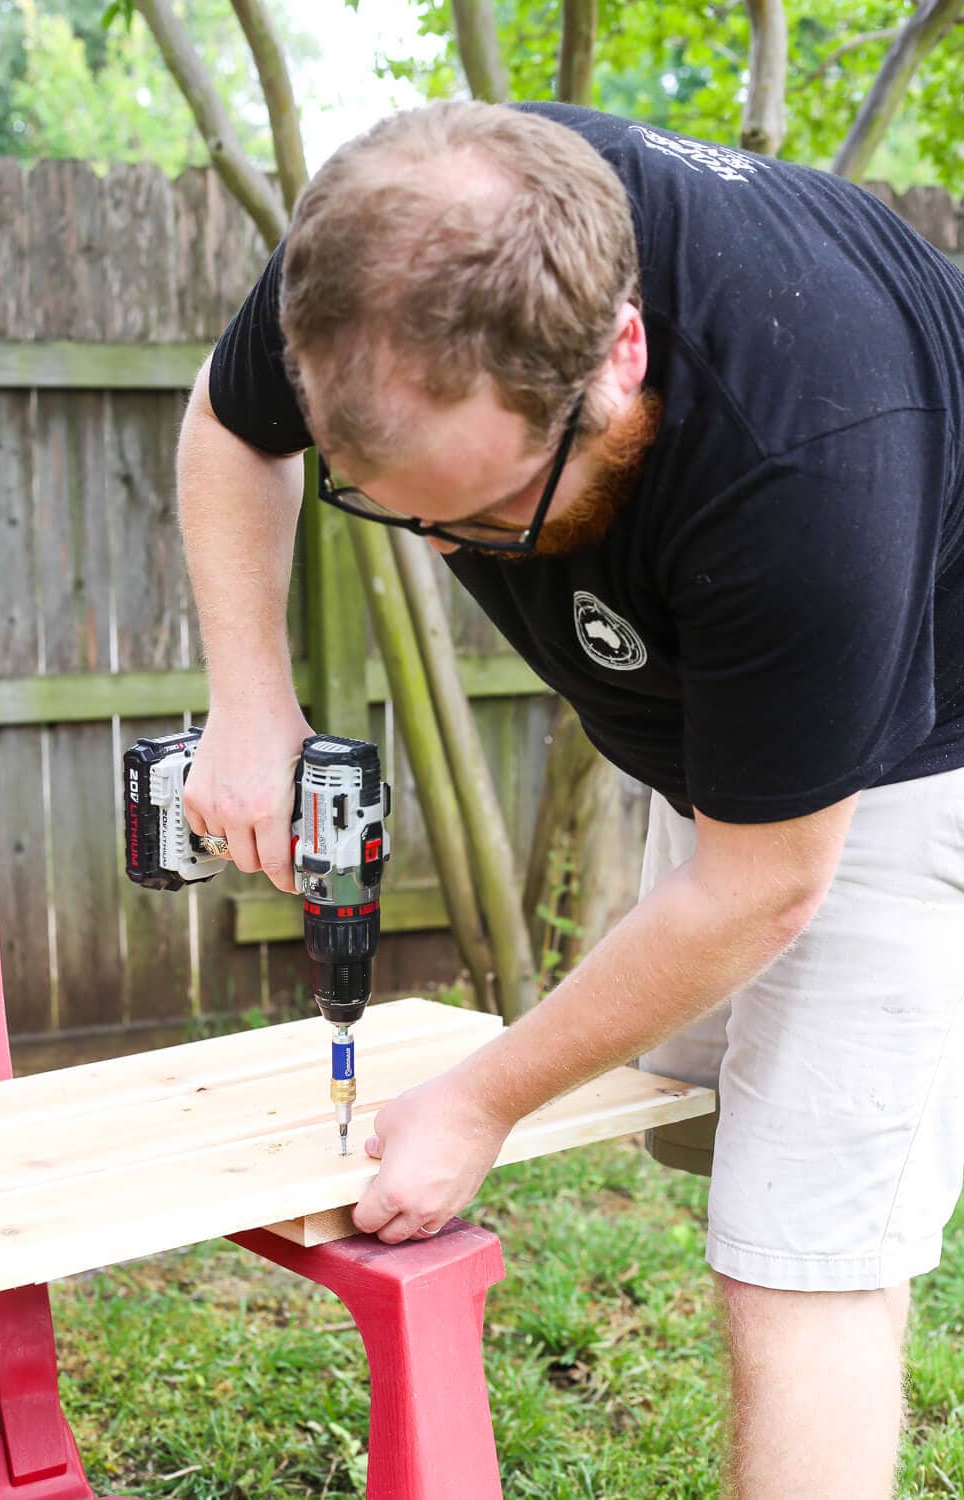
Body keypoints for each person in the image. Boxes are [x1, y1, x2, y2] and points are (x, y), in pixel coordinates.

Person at [178, 100, 964, 1497]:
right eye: (398, 510)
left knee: (803, 1254)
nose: (461, 555)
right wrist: (253, 702)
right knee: (698, 1122)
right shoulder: (385, 255)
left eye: (487, 519)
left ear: (621, 356)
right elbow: (230, 428)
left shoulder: (812, 449)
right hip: (746, 717)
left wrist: (478, 1102)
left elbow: (766, 884)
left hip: (921, 729)